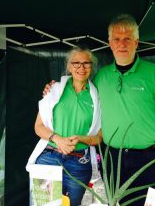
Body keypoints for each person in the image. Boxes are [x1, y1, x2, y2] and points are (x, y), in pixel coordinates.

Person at [43, 14, 155, 206]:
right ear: (110, 43)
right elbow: (79, 88)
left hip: (151, 159)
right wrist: (52, 89)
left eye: (127, 39)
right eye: (117, 39)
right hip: (114, 160)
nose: (122, 44)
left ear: (136, 42)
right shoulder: (102, 77)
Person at [26, 47, 102, 206]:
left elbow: (100, 137)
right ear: (68, 66)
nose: (81, 67)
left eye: (86, 63)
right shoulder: (54, 90)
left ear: (92, 67)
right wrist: (58, 139)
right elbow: (38, 126)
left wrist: (80, 139)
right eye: (76, 63)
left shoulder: (97, 97)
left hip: (79, 162)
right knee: (45, 204)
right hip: (49, 157)